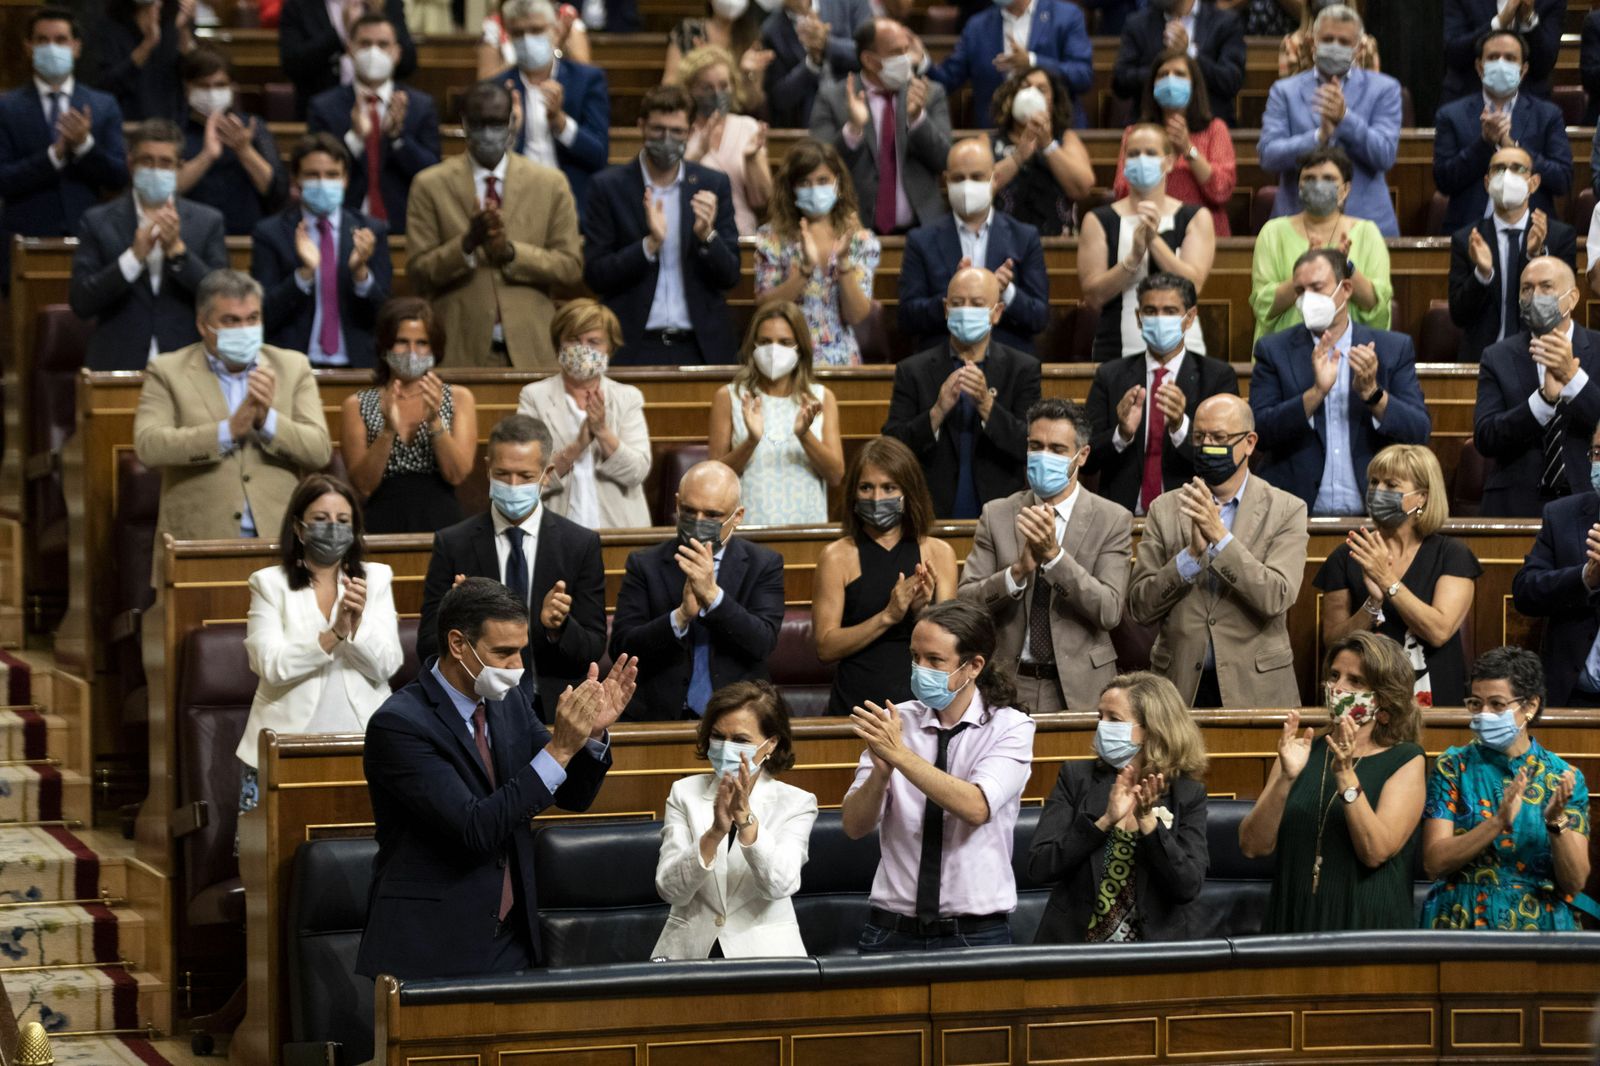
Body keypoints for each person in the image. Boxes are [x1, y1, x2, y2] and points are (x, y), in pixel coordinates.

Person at [354, 578, 636, 979]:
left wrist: (589, 736)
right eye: (503, 652)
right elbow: (474, 828)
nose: (517, 667)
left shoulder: (508, 704)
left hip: (510, 939)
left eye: (521, 651)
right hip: (430, 948)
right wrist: (559, 748)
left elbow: (572, 793)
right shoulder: (399, 724)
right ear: (457, 644)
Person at [841, 599, 1036, 951]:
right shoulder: (895, 721)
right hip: (891, 929)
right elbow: (854, 826)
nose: (920, 668)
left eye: (934, 660)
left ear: (974, 665)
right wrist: (880, 776)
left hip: (976, 934)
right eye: (915, 657)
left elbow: (977, 806)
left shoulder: (1011, 728)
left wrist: (900, 756)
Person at [415, 415, 605, 719]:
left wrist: (557, 628)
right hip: (476, 706)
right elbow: (427, 646)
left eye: (525, 476)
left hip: (553, 708)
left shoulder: (579, 545)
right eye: (502, 474)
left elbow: (592, 648)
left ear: (547, 474)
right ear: (488, 468)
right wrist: (456, 616)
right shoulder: (453, 544)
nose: (513, 485)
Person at [236, 474, 402, 816]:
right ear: (299, 528)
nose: (332, 529)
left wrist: (354, 633)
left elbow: (387, 664)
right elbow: (270, 665)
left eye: (343, 521)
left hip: (364, 737)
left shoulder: (376, 578)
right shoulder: (269, 584)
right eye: (320, 520)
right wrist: (334, 635)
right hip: (285, 743)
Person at [1238, 631, 1426, 932]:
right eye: (1335, 675)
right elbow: (1252, 846)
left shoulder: (1405, 759)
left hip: (1365, 927)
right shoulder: (1301, 752)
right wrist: (1285, 779)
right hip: (1293, 919)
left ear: (1384, 704)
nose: (1337, 688)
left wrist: (1345, 775)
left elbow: (1375, 851)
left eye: (1355, 681)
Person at [1128, 394, 1307, 709]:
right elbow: (1141, 606)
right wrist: (1190, 557)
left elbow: (1277, 596)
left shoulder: (1286, 509)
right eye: (1200, 437)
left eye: (1219, 438)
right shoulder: (1165, 509)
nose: (1207, 445)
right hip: (1179, 688)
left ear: (1249, 443)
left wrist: (1221, 539)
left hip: (1256, 686)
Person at [132, 270, 333, 549]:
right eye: (231, 321)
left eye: (252, 319)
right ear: (203, 325)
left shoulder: (292, 367)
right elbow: (149, 446)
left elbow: (319, 450)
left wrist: (267, 421)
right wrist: (227, 431)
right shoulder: (167, 370)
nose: (244, 329)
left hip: (279, 538)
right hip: (197, 540)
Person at [958, 398, 1132, 713]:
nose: (1043, 457)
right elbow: (966, 603)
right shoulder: (997, 514)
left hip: (1083, 686)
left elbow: (1109, 610)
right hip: (1008, 682)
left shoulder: (1112, 519)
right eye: (1035, 446)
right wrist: (1017, 572)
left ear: (1082, 456)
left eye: (1057, 449)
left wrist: (1054, 557)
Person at [408, 81, 582, 369]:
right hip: (459, 348)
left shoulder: (550, 183)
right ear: (464, 123)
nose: (488, 133)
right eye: (479, 123)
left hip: (532, 348)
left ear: (512, 123)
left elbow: (570, 267)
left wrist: (512, 253)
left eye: (497, 123)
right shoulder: (430, 185)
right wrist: (465, 246)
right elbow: (418, 272)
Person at [1028, 672, 1209, 942]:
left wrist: (1148, 823)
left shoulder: (1187, 794)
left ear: (1152, 730)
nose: (1102, 726)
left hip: (1153, 955)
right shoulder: (1077, 778)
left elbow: (1187, 886)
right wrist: (1102, 823)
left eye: (1114, 719)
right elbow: (1039, 866)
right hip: (1075, 947)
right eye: (1100, 717)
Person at [1250, 249, 1431, 517]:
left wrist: (1373, 394)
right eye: (1300, 291)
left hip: (1375, 516)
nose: (1306, 299)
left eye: (1317, 287)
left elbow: (1419, 431)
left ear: (1345, 289)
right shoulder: (1273, 350)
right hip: (1294, 517)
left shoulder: (1392, 348)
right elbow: (1260, 433)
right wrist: (1316, 393)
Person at [1422, 647, 1592, 930]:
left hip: (1540, 923)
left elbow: (1575, 882)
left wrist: (1555, 822)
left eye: (1497, 704)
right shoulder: (1453, 766)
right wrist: (1497, 823)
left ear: (1530, 706)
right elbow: (1434, 863)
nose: (1484, 714)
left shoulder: (1561, 776)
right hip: (1463, 919)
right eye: (1476, 703)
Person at [651, 681, 819, 959]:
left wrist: (746, 821)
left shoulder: (797, 804)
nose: (725, 748)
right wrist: (715, 833)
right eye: (718, 737)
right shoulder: (684, 793)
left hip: (766, 959)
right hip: (688, 954)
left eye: (740, 740)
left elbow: (779, 885)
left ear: (771, 744)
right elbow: (670, 890)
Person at [610, 461, 785, 721]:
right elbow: (622, 647)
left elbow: (762, 642)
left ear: (737, 516)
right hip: (659, 715)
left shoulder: (763, 564)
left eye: (712, 515)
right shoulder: (645, 563)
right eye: (690, 511)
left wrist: (714, 598)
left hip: (738, 716)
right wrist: (679, 617)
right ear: (677, 504)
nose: (698, 522)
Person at [583, 85, 741, 366]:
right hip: (632, 344)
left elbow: (730, 276)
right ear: (641, 126)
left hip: (700, 345)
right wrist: (648, 246)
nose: (667, 139)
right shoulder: (608, 187)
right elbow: (596, 274)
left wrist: (707, 237)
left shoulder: (712, 185)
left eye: (677, 131)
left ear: (691, 132)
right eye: (658, 130)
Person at [1315, 445, 1481, 707]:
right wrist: (1373, 604)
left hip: (1434, 694)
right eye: (1374, 482)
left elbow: (1438, 631)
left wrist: (1387, 580)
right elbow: (1333, 643)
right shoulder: (1347, 554)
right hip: (1362, 697)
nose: (1378, 491)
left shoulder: (1451, 555)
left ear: (1421, 497)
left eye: (1391, 485)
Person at [882, 266, 1042, 519]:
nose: (966, 310)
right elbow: (890, 447)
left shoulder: (1022, 369)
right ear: (946, 309)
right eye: (957, 303)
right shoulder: (912, 370)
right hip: (930, 514)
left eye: (977, 304)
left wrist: (987, 406)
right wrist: (937, 412)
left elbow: (1030, 445)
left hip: (1001, 515)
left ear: (997, 312)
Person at [814, 435, 958, 716]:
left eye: (889, 487)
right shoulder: (837, 556)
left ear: (909, 491)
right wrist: (888, 616)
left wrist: (923, 611)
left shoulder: (938, 552)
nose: (877, 498)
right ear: (853, 493)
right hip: (856, 706)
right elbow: (825, 647)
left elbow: (950, 645)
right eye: (866, 487)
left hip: (922, 708)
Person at [70, 118, 227, 371]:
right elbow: (82, 302)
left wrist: (178, 252)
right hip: (117, 363)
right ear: (131, 164)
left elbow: (221, 298)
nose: (156, 169)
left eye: (165, 162)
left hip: (188, 365)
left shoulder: (207, 221)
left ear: (179, 168)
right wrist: (133, 258)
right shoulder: (97, 221)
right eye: (147, 161)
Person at [1082, 273, 1239, 515]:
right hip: (1121, 518)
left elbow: (1224, 462)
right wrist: (1121, 434)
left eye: (1170, 311)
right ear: (1138, 318)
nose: (1160, 319)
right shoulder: (1110, 376)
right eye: (1151, 311)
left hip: (1190, 515)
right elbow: (1087, 461)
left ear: (1190, 318)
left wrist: (1180, 426)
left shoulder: (1216, 377)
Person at [0, 7, 128, 285]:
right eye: (42, 40)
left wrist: (84, 146)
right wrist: (53, 155)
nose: (51, 47)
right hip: (25, 239)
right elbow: (3, 178)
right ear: (28, 47)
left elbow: (119, 176)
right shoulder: (6, 107)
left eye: (60, 40)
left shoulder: (102, 105)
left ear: (76, 47)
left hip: (87, 238)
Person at [1258, 4, 1402, 237]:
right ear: (1313, 44)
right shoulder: (1285, 91)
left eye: (1344, 42)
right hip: (1297, 223)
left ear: (1357, 49)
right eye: (1328, 39)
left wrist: (1345, 119)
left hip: (1365, 224)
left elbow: (1384, 155)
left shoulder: (1384, 89)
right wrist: (1319, 137)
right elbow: (1269, 156)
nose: (1335, 46)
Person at [250, 133, 392, 369]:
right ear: (296, 180)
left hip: (358, 363)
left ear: (345, 179)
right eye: (313, 175)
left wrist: (360, 274)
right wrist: (304, 274)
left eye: (332, 175)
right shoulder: (271, 233)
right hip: (293, 365)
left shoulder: (371, 230)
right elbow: (263, 313)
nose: (323, 182)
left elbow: (384, 316)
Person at [1473, 256, 1600, 516]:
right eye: (1527, 289)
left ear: (1573, 297)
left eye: (1546, 287)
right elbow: (1485, 437)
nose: (1535, 296)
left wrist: (1573, 378)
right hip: (1514, 501)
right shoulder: (1497, 356)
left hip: (1587, 499)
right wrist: (1542, 402)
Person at [899, 138, 1049, 355]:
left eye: (977, 177)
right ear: (946, 181)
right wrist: (954, 294)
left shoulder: (1024, 237)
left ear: (995, 179)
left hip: (1007, 361)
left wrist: (1006, 292)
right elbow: (907, 318)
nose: (967, 186)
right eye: (959, 178)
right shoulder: (920, 240)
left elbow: (1039, 317)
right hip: (941, 358)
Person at [1079, 123, 1215, 363]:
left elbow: (1194, 285)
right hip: (1116, 347)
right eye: (1133, 154)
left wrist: (1153, 240)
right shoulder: (1099, 220)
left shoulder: (1194, 217)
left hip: (1185, 346)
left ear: (1169, 162)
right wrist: (1132, 259)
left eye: (1150, 153)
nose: (1141, 160)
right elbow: (1093, 295)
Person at [340, 297, 477, 534]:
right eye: (402, 342)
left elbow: (456, 474)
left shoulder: (458, 398)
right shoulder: (357, 404)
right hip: (381, 520)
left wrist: (434, 422)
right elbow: (363, 485)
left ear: (434, 348)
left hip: (443, 521)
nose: (412, 352)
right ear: (385, 346)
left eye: (422, 343)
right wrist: (387, 431)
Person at [516, 298, 652, 529]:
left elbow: (637, 472)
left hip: (619, 529)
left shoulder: (627, 397)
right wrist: (577, 446)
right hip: (555, 531)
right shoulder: (534, 397)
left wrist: (602, 431)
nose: (582, 350)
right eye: (574, 340)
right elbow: (525, 479)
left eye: (593, 342)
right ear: (559, 344)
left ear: (610, 347)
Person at [809, 18, 951, 236]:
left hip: (921, 231)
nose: (906, 58)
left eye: (907, 49)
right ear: (869, 60)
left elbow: (944, 160)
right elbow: (818, 166)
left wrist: (918, 120)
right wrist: (853, 130)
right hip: (853, 231)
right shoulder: (833, 98)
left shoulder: (930, 94)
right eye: (897, 52)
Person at [305, 12, 441, 234]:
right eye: (365, 44)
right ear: (350, 49)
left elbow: (432, 173)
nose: (373, 52)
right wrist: (356, 139)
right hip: (344, 224)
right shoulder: (324, 107)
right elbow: (316, 169)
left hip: (404, 224)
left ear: (397, 53)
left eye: (382, 44)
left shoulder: (420, 106)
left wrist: (398, 138)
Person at [709, 302, 845, 525]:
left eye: (785, 342)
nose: (773, 350)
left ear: (800, 347)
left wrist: (804, 435)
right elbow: (715, 479)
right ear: (753, 346)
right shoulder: (730, 396)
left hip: (806, 527)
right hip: (748, 527)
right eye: (764, 342)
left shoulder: (821, 397)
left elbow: (836, 475)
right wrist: (751, 441)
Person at [753, 137, 878, 366]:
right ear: (791, 189)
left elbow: (857, 315)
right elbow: (766, 307)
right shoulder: (771, 238)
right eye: (805, 183)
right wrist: (805, 270)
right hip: (785, 357)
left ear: (837, 184)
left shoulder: (860, 240)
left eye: (823, 181)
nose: (814, 190)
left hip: (840, 357)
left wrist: (843, 263)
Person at [1433, 29, 1571, 236]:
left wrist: (1512, 147)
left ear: (1523, 69)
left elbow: (1562, 180)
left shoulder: (1547, 115)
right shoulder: (1451, 115)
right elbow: (1444, 180)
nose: (1501, 63)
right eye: (1493, 57)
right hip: (1470, 233)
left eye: (1510, 58)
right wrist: (1484, 143)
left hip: (1534, 232)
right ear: (1480, 67)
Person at [1250, 146, 1392, 343]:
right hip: (1284, 352)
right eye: (1309, 178)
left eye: (1328, 179)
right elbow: (1263, 305)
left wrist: (1346, 267)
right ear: (1299, 186)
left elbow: (1377, 308)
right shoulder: (1273, 233)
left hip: (1349, 352)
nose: (1318, 185)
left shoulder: (1368, 233)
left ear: (1345, 189)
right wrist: (1305, 275)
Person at [1449, 144, 1578, 361]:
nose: (1507, 175)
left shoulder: (1558, 237)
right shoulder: (1467, 239)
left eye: (1517, 168)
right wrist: (1482, 274)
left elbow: (1563, 308)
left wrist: (1535, 257)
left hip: (1542, 355)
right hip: (1482, 358)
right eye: (1498, 169)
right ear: (1487, 182)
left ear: (1534, 183)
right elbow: (1459, 315)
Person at [1510, 422, 1600, 706]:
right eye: (1597, 452)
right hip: (1572, 697)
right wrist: (1586, 577)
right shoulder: (1563, 515)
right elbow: (1525, 592)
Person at [492, 0, 610, 216]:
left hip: (571, 204)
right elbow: (487, 160)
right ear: (508, 35)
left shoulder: (586, 80)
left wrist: (560, 122)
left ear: (555, 30)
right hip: (514, 204)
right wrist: (510, 134)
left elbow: (599, 154)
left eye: (536, 30)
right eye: (518, 33)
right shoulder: (498, 87)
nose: (527, 39)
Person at [1112, 50, 1238, 236]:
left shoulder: (1214, 129)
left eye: (1179, 74)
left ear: (1194, 84)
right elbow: (1121, 192)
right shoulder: (1136, 134)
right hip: (1146, 231)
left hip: (1204, 235)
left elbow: (1221, 191)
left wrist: (1188, 149)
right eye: (1163, 75)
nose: (1170, 80)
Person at [926, 0, 1091, 129]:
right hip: (996, 135)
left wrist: (1033, 61)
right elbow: (947, 78)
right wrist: (922, 62)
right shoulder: (977, 26)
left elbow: (1082, 76)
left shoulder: (1066, 16)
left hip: (1055, 131)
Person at [176, 47, 287, 237]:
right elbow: (169, 189)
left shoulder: (252, 127)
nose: (212, 93)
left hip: (248, 233)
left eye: (220, 85)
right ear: (188, 87)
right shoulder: (175, 131)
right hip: (191, 234)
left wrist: (244, 151)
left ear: (231, 87)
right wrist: (207, 156)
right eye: (204, 86)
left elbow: (276, 192)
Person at [988, 67, 1093, 238]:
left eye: (1041, 89)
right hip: (1004, 241)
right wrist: (1017, 157)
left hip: (1057, 242)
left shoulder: (1066, 139)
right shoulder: (989, 142)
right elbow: (979, 188)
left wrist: (1048, 145)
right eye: (1025, 87)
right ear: (1012, 97)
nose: (1031, 93)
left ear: (1052, 101)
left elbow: (1083, 187)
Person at [678, 45, 771, 236]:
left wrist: (751, 160)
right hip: (689, 235)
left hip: (740, 236)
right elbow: (669, 189)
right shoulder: (679, 131)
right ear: (690, 90)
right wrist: (696, 155)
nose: (717, 93)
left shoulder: (747, 128)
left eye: (723, 85)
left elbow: (763, 202)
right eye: (707, 87)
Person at [1111, 0, 1245, 127]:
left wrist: (1190, 53)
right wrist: (1161, 73)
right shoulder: (1138, 23)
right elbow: (1120, 82)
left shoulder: (1226, 22)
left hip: (1209, 126)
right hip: (1150, 127)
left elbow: (1231, 81)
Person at [278, 0, 416, 117]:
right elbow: (292, 64)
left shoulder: (387, 2)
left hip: (382, 110)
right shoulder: (299, 4)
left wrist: (379, 16)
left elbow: (408, 63)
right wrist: (340, 32)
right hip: (322, 113)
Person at [760, 0, 871, 128]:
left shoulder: (849, 3)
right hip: (811, 125)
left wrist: (827, 44)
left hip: (859, 108)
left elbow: (871, 54)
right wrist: (812, 63)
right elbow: (779, 98)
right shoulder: (771, 30)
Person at [83, 0, 196, 122]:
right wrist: (147, 45)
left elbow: (191, 75)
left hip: (168, 126)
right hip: (127, 126)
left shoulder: (171, 24)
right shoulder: (107, 28)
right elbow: (105, 86)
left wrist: (182, 30)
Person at [661, 0, 773, 112]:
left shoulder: (751, 38)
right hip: (692, 116)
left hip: (733, 117)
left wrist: (744, 75)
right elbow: (669, 86)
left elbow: (754, 101)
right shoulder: (689, 31)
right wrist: (696, 66)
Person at [1442, 0, 1564, 103]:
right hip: (1467, 99)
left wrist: (1528, 20)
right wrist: (1499, 23)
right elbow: (1454, 52)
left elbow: (1545, 64)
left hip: (1529, 104)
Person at [478, 0, 593, 79]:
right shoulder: (495, 24)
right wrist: (522, 59)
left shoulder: (566, 17)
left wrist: (558, 45)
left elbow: (584, 74)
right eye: (517, 33)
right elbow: (486, 81)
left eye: (536, 30)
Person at [1278, 0, 1381, 77]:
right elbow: (1289, 99)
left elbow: (1372, 97)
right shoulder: (1293, 45)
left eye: (1343, 41)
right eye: (1328, 39)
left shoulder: (1365, 45)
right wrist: (1309, 61)